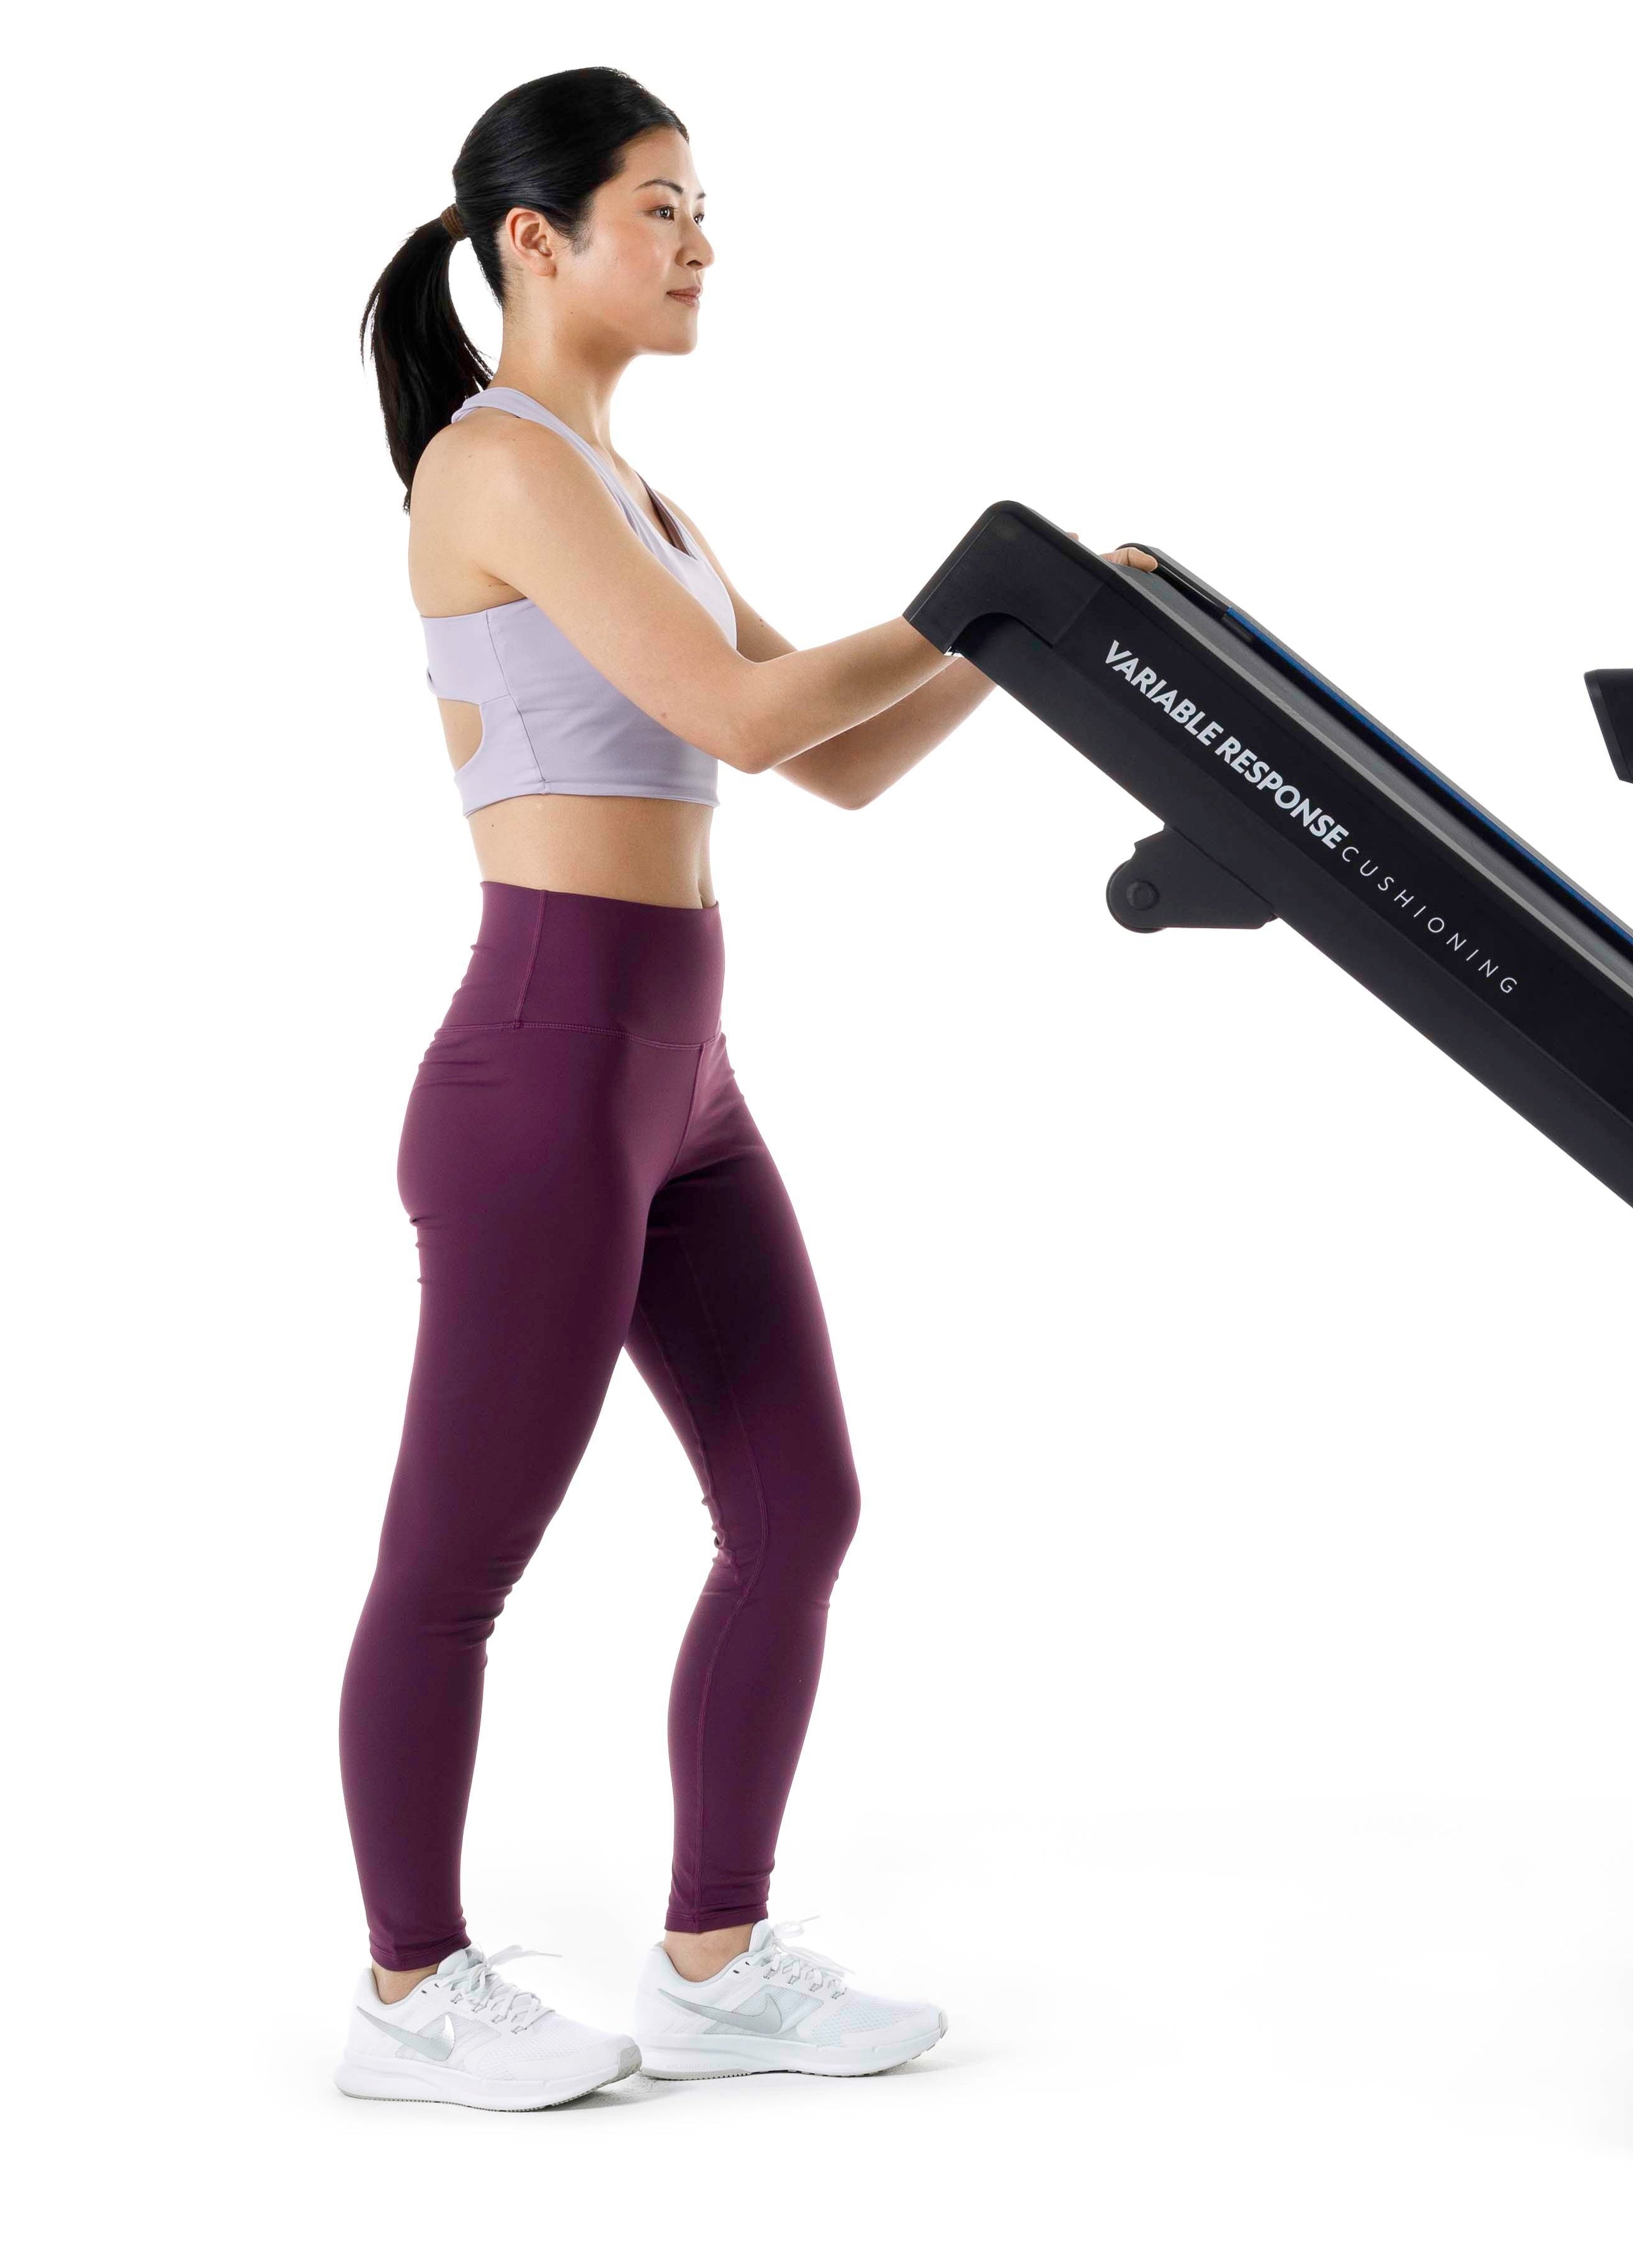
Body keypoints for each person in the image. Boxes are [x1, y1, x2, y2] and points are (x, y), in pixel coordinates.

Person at [339, 65, 1141, 2111]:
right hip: (543, 1067)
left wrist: (1029, 638)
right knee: (461, 1559)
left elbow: (837, 756)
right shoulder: (496, 465)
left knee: (799, 1500)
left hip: (676, 1069)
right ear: (537, 239)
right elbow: (750, 710)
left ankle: (713, 1954)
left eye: (709, 212)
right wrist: (987, 586)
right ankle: (409, 1989)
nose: (703, 245)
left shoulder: (645, 501)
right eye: (663, 208)